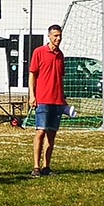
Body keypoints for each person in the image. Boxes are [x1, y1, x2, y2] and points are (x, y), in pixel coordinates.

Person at [28, 24, 66, 177]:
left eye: (60, 35)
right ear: (49, 36)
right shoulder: (39, 52)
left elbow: (60, 78)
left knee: (51, 134)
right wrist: (32, 95)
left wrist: (63, 99)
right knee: (40, 131)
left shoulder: (60, 55)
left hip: (57, 101)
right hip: (43, 99)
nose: (58, 38)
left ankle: (46, 166)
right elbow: (32, 74)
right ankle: (36, 167)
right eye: (55, 35)